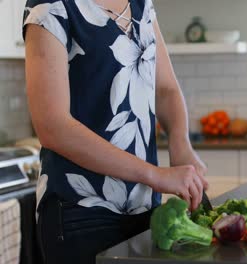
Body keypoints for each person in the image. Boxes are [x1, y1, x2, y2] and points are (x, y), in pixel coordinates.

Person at [23, 0, 208, 263]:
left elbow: (165, 90)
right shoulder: (52, 7)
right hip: (82, 214)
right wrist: (155, 175)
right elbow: (53, 127)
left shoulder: (141, 5)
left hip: (144, 210)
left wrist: (181, 146)